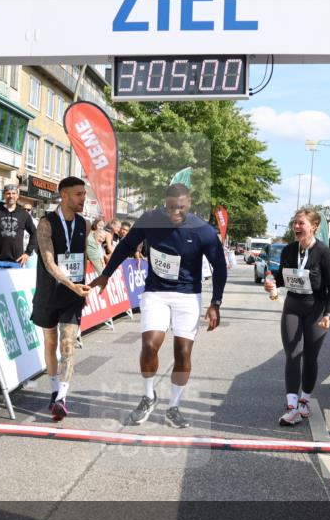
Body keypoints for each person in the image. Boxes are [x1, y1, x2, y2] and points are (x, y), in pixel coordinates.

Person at [90, 183, 227, 429]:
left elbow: (220, 266)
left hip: (187, 295)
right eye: (171, 207)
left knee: (183, 352)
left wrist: (215, 303)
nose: (176, 212)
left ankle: (173, 407)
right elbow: (126, 246)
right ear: (165, 204)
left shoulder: (203, 230)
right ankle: (148, 396)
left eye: (181, 207)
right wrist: (106, 274)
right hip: (156, 292)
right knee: (150, 345)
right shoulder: (151, 220)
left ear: (189, 203)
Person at [267, 208, 330, 426]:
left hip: (316, 310)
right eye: (295, 223)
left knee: (310, 357)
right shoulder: (289, 250)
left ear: (314, 226)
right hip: (293, 306)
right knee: (292, 354)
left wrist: (328, 314)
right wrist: (272, 282)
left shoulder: (324, 253)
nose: (296, 227)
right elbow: (282, 277)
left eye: (301, 223)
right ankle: (292, 407)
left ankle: (304, 400)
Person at [31, 177, 93, 421]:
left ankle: (62, 398)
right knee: (50, 343)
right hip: (49, 292)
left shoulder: (85, 223)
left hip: (72, 296)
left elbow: (86, 253)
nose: (83, 198)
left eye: (84, 194)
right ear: (64, 195)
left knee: (68, 344)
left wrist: (98, 278)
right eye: (78, 194)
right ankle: (54, 389)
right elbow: (49, 262)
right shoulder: (46, 223)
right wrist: (71, 284)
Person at [0, 183, 37, 269]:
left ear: (17, 196)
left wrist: (28, 253)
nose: (11, 196)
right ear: (4, 195)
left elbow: (34, 233)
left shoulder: (24, 214)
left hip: (16, 262)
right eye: (8, 193)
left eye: (13, 193)